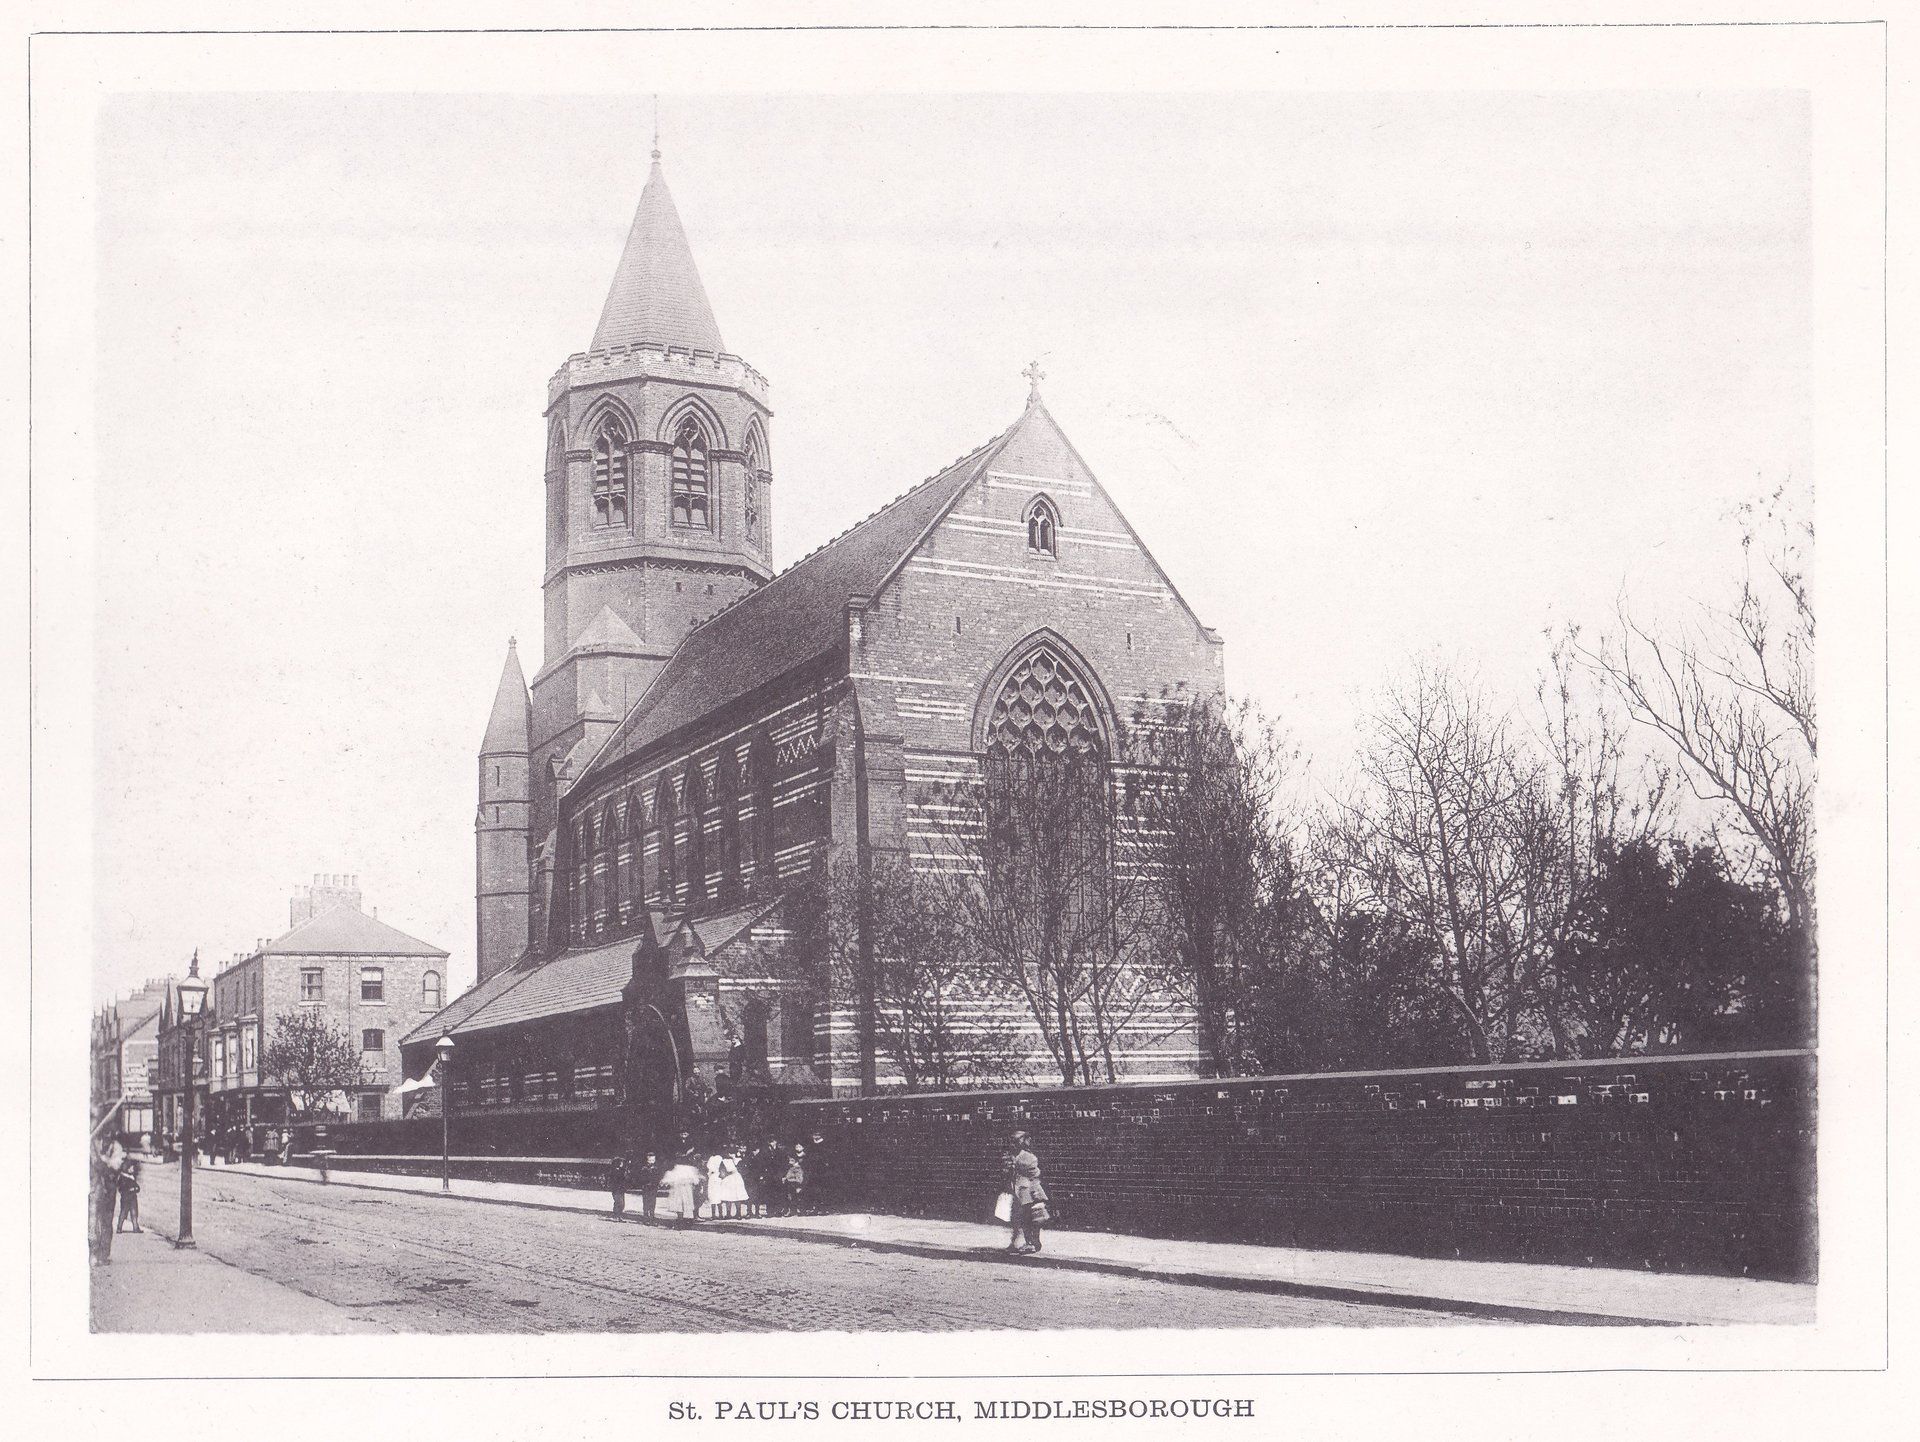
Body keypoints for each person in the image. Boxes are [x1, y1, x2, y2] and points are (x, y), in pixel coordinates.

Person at [1005, 1130, 1048, 1255]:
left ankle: (1032, 1243)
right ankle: (1017, 1243)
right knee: (1017, 1219)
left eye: (1015, 1141)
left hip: (1028, 1191)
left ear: (1022, 1142)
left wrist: (1035, 1193)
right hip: (1018, 1191)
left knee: (1029, 1218)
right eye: (1011, 1141)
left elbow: (1034, 1176)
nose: (1012, 1144)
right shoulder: (1013, 1155)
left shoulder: (1028, 1157)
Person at [660, 1151, 704, 1228]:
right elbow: (695, 1181)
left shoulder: (677, 1169)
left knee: (679, 1204)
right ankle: (683, 1221)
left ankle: (680, 1220)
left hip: (678, 1189)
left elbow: (670, 1179)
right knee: (685, 1204)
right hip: (686, 1189)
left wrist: (665, 1182)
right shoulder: (689, 1169)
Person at [712, 1146, 751, 1216]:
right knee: (731, 1196)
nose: (730, 1154)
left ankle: (735, 1214)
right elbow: (723, 1171)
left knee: (734, 1196)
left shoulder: (734, 1160)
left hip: (733, 1179)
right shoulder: (727, 1161)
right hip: (732, 1178)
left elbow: (738, 1169)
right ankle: (732, 1214)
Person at [115, 1155, 143, 1233]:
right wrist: (131, 1189)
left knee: (134, 1213)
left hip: (133, 1198)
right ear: (127, 1168)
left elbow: (137, 1187)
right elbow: (121, 1188)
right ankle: (119, 1228)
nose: (133, 1169)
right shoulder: (123, 1178)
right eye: (131, 1168)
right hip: (126, 1198)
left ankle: (135, 1227)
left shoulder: (131, 1177)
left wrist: (135, 1189)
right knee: (123, 1213)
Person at [780, 1143, 807, 1216]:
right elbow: (788, 1175)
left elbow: (799, 1177)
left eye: (791, 1160)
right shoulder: (790, 1167)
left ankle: (800, 1210)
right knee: (790, 1197)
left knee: (796, 1197)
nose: (789, 1161)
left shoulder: (797, 1168)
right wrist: (785, 1178)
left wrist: (798, 1185)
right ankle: (791, 1210)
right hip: (790, 1183)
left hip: (795, 1184)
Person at [637, 1150, 662, 1224]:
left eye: (653, 1160)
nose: (651, 1162)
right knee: (646, 1203)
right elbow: (641, 1178)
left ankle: (652, 1218)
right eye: (650, 1160)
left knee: (653, 1203)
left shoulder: (656, 1168)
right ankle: (646, 1218)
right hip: (646, 1187)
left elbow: (658, 1177)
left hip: (653, 1188)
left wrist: (657, 1183)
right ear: (647, 1160)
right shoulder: (644, 1168)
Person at [607, 1151, 629, 1221]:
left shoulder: (623, 1170)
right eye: (621, 1162)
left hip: (621, 1189)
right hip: (616, 1189)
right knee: (618, 1202)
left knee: (622, 1203)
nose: (622, 1164)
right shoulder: (614, 1171)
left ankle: (619, 1215)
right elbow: (614, 1179)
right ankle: (616, 1215)